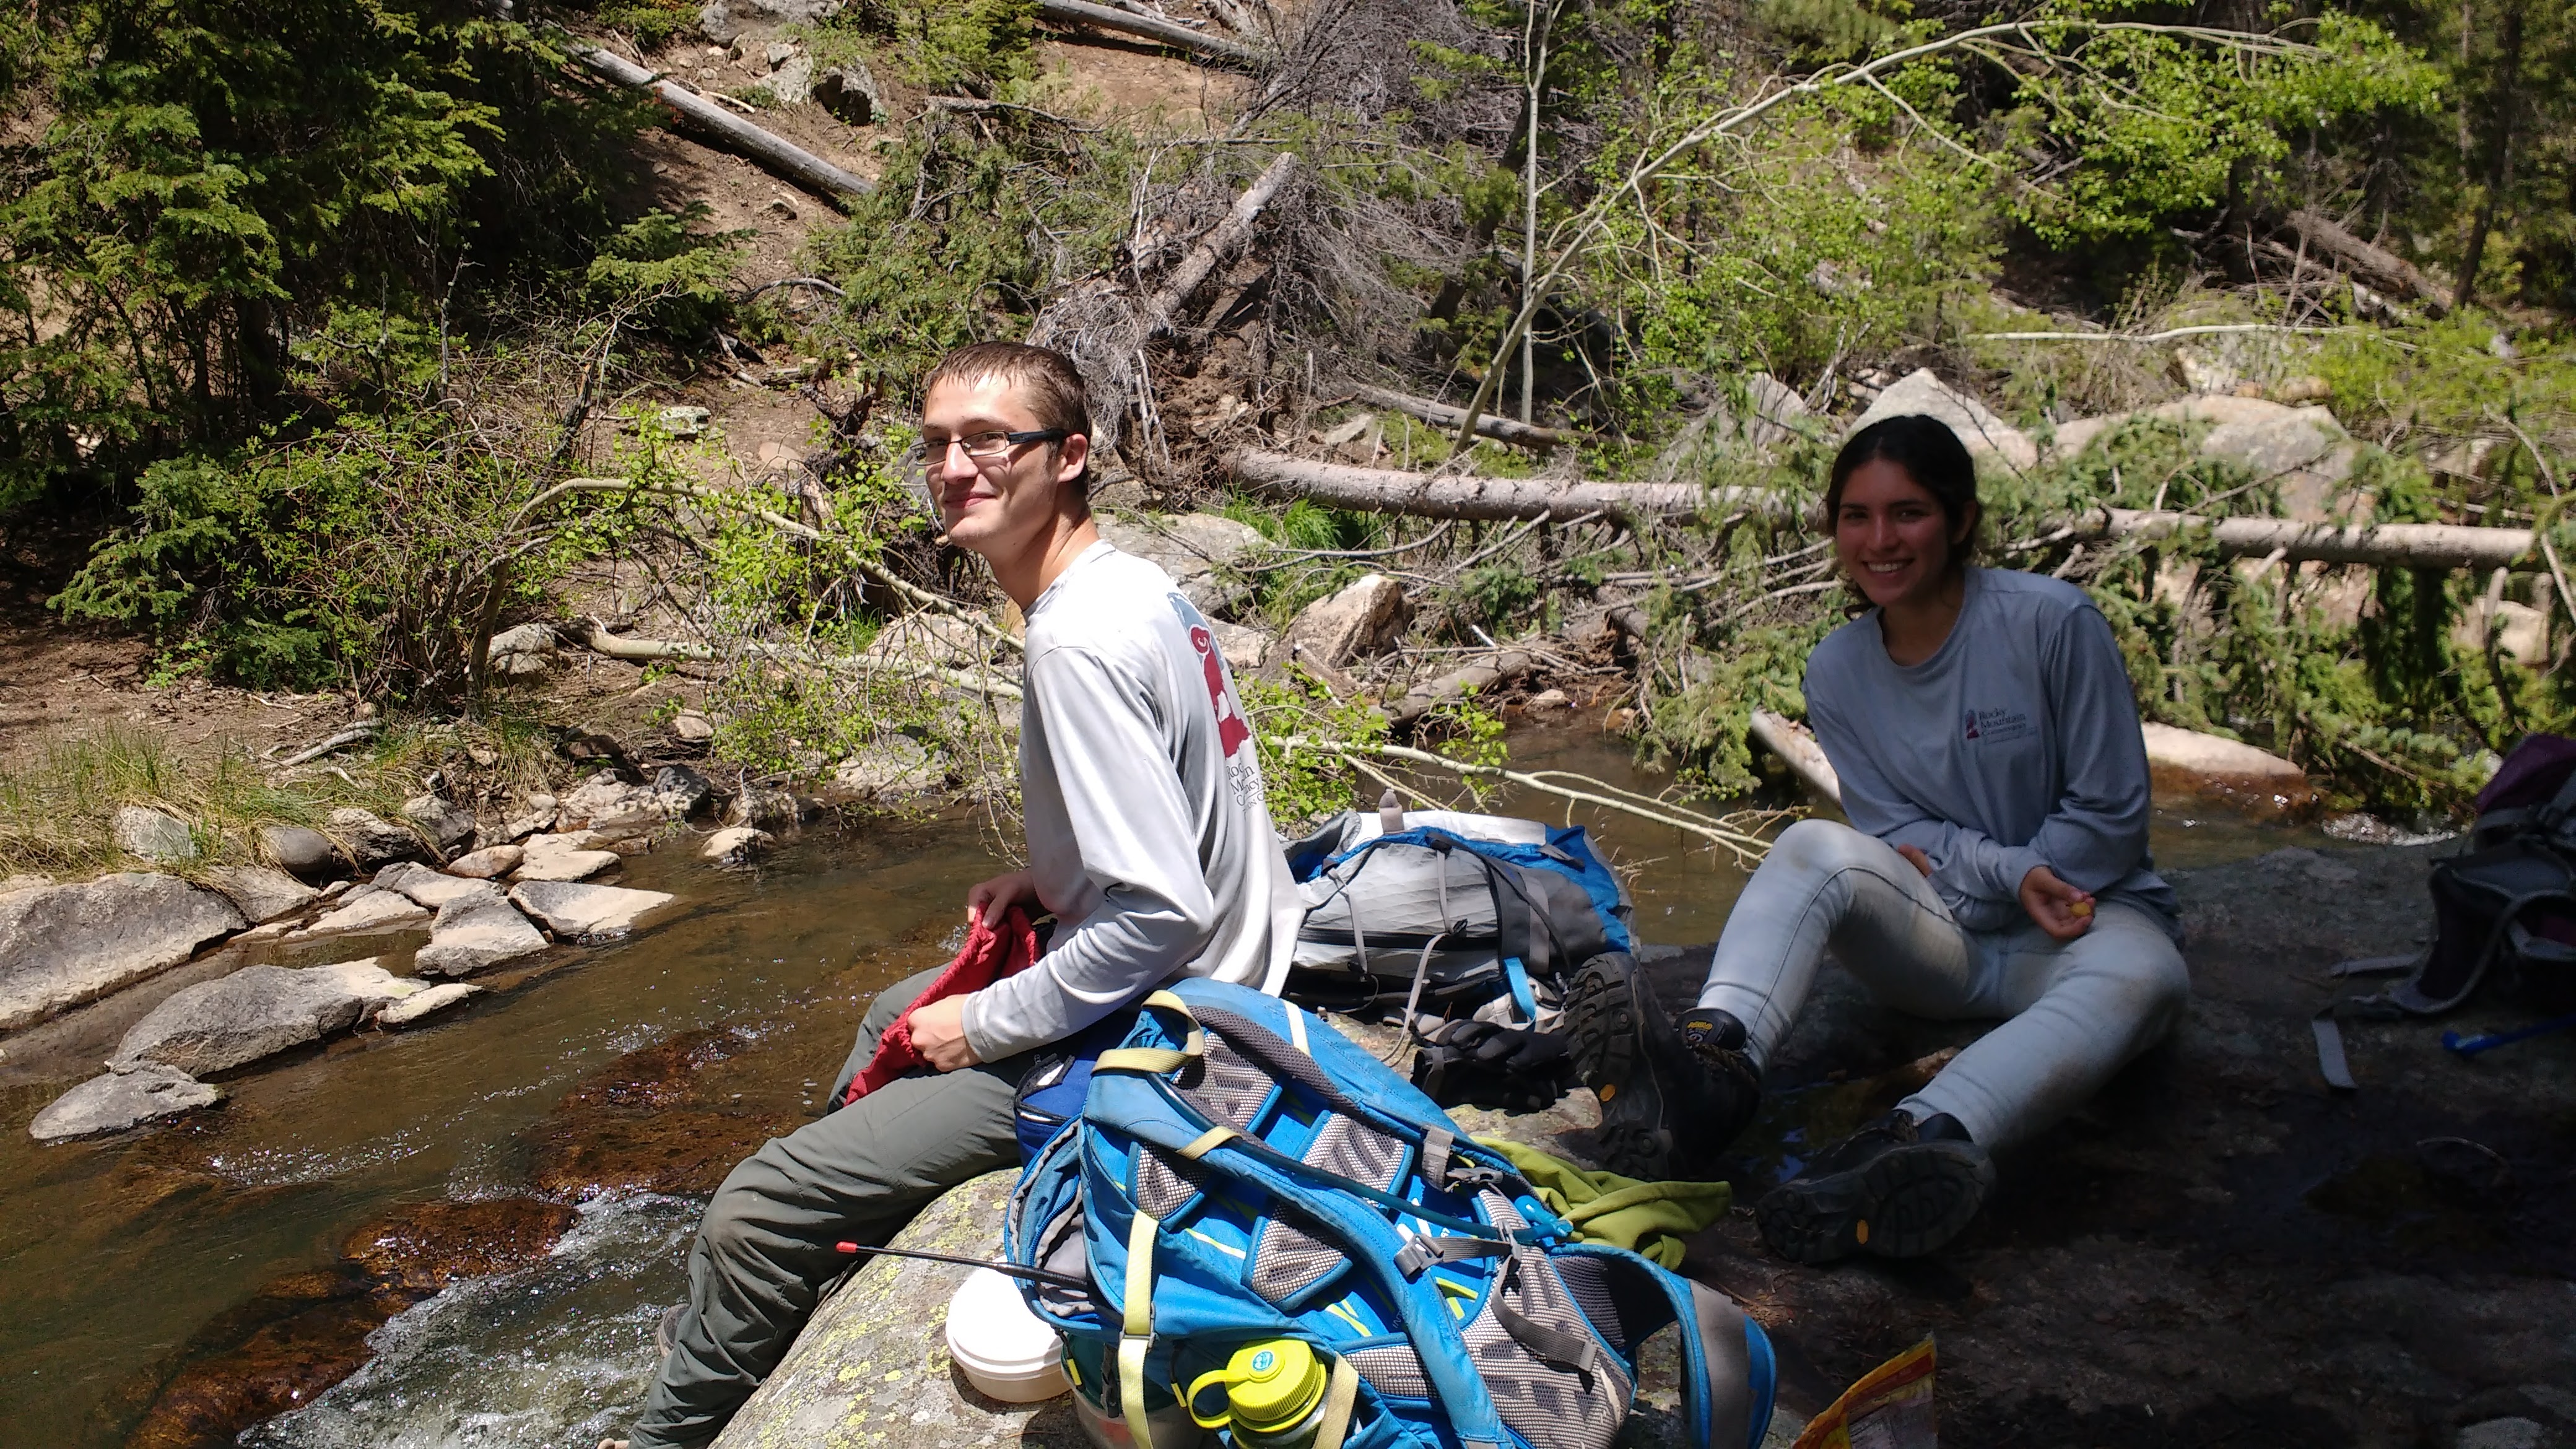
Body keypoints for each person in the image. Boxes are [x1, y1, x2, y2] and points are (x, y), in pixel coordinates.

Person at [606, 341, 1303, 1449]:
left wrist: (983, 1024)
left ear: (1068, 457)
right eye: (936, 444)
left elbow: (1162, 914)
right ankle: (836, 1248)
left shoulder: (1075, 639)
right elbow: (1200, 795)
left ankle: (669, 1428)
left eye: (989, 441)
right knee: (891, 1011)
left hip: (1167, 1031)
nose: (954, 467)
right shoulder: (1137, 586)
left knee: (753, 1204)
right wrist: (1057, 874)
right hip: (1235, 960)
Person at [1565, 413, 2190, 1265]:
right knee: (1813, 848)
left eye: (1909, 513)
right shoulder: (1837, 671)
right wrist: (2010, 871)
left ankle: (1906, 1146)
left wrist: (1986, 869)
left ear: (1961, 520)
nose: (1880, 540)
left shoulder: (2053, 624)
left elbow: (2108, 821)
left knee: (2150, 974)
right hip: (1942, 942)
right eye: (1856, 516)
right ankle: (1708, 1075)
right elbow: (1895, 834)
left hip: (2082, 926)